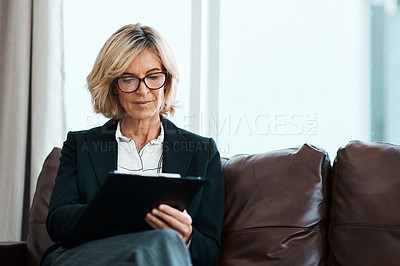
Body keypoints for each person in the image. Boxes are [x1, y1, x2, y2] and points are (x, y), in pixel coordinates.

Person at [42, 24, 225, 266]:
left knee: (164, 244)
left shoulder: (203, 152)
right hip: (89, 257)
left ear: (167, 81)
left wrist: (188, 237)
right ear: (113, 87)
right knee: (162, 244)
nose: (143, 90)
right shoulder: (80, 144)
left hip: (161, 256)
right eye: (128, 79)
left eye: (153, 77)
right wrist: (112, 209)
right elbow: (57, 222)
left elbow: (210, 252)